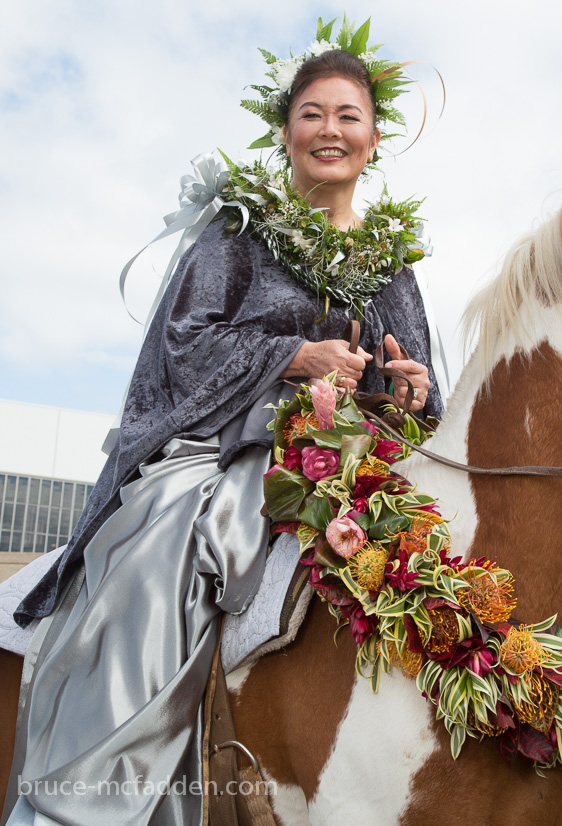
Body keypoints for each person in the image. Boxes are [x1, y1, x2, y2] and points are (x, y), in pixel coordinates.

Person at [4, 18, 442, 826]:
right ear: (286, 132)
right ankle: (88, 803)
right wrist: (295, 358)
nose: (330, 130)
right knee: (166, 539)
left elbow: (420, 391)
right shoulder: (237, 231)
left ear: (375, 140)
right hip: (227, 455)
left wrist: (412, 392)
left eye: (348, 116)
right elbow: (184, 346)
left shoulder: (394, 266)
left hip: (362, 469)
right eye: (313, 113)